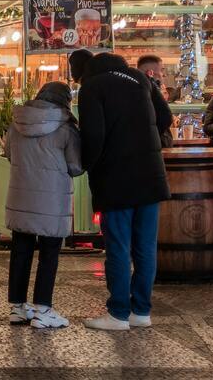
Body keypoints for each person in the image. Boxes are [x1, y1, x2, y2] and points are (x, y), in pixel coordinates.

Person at [73, 49, 169, 331]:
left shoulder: (92, 87)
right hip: (151, 175)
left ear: (82, 74)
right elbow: (165, 117)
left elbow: (93, 134)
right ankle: (141, 311)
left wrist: (85, 165)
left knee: (118, 246)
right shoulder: (139, 78)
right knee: (145, 247)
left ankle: (117, 314)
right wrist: (143, 136)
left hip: (115, 178)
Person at [3, 81, 83, 329]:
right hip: (52, 200)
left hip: (21, 196)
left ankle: (17, 308)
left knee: (21, 250)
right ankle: (43, 310)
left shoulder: (16, 124)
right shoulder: (66, 128)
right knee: (49, 254)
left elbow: (9, 155)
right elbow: (76, 166)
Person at [135, 54, 176, 147]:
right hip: (157, 143)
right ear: (150, 73)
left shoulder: (131, 90)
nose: (163, 75)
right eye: (161, 70)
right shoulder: (152, 90)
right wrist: (154, 134)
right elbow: (166, 116)